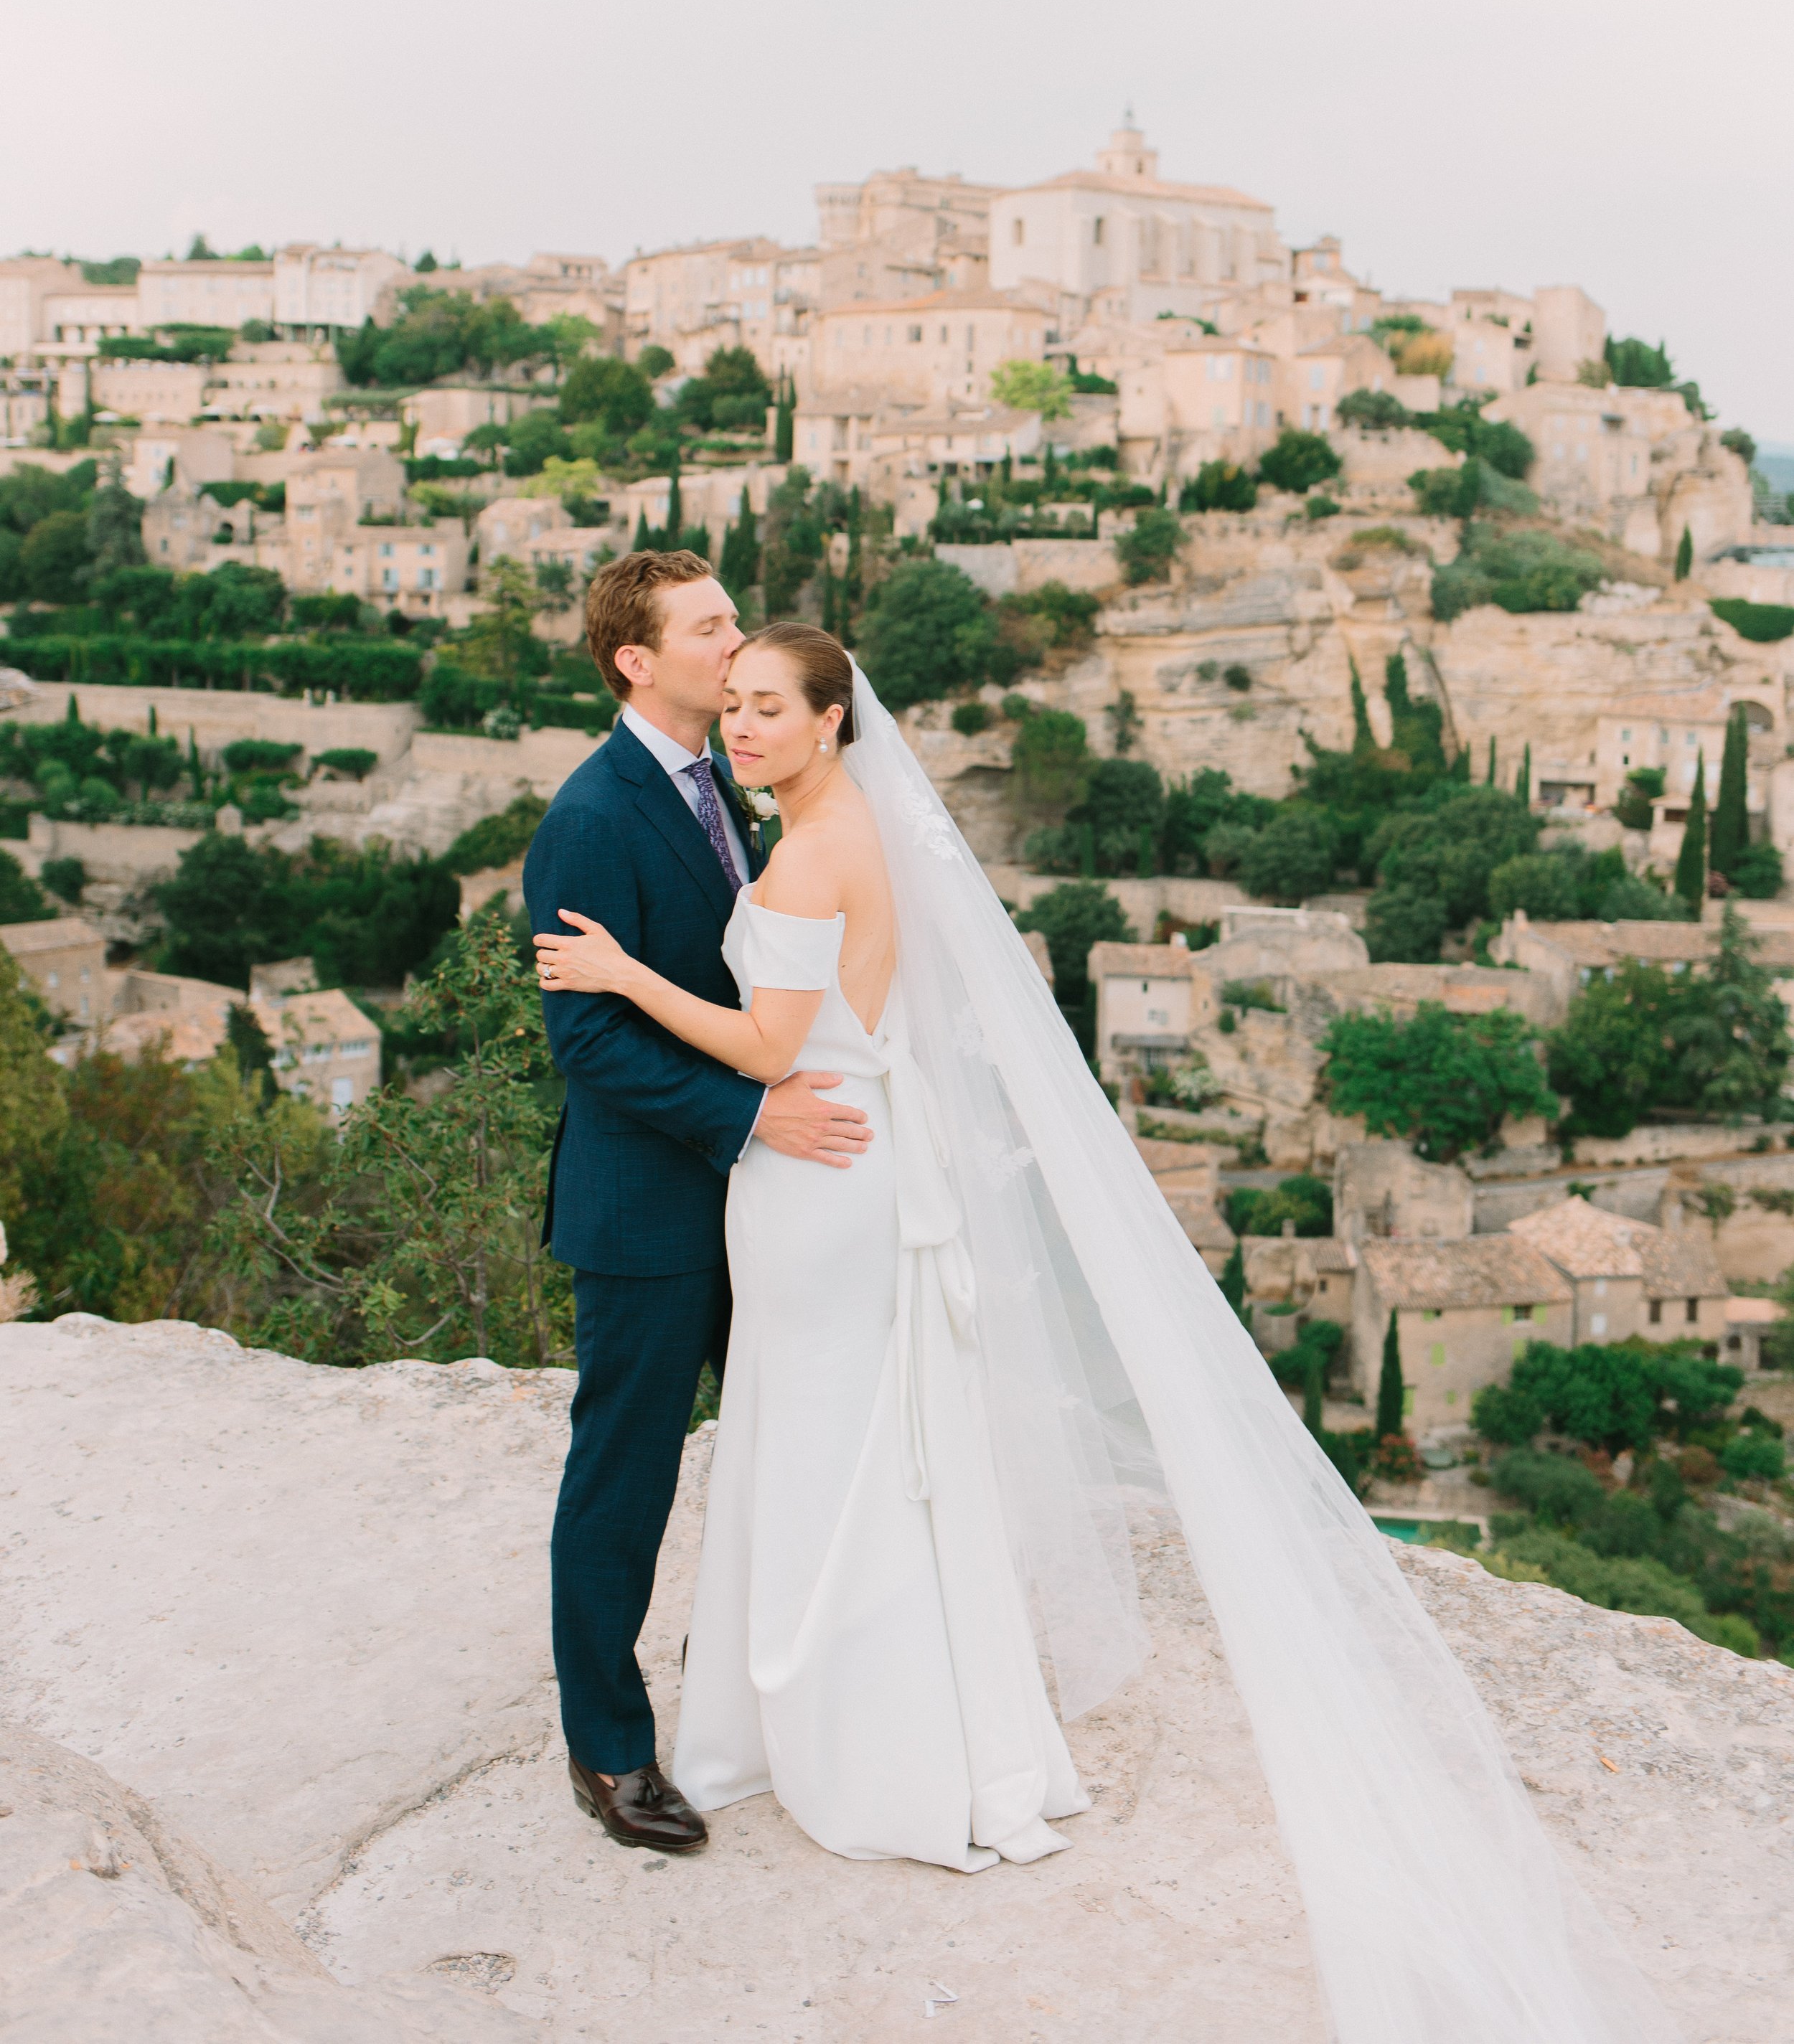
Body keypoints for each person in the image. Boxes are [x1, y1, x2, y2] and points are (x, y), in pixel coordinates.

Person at [537, 617, 1683, 2044]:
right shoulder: (810, 825)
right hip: (831, 1162)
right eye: (733, 690)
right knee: (839, 1436)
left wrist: (628, 978)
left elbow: (774, 1048)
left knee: (826, 1435)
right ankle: (813, 1692)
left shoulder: (815, 844)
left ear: (833, 722)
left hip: (809, 1166)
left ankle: (830, 1714)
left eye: (770, 701)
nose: (744, 716)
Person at [522, 552, 873, 1860]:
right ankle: (608, 1748)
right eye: (711, 626)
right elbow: (589, 1045)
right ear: (636, 660)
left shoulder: (732, 782)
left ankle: (806, 1696)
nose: (738, 645)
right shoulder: (593, 813)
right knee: (624, 1477)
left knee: (800, 1437)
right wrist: (751, 1115)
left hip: (757, 1201)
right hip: (649, 1209)